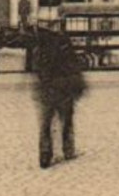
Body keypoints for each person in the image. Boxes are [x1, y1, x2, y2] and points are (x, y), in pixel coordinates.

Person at [28, 27, 87, 169]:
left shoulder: (38, 50)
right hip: (63, 90)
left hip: (47, 91)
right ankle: (68, 150)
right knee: (66, 120)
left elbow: (34, 69)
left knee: (46, 124)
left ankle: (45, 155)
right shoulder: (65, 46)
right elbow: (74, 67)